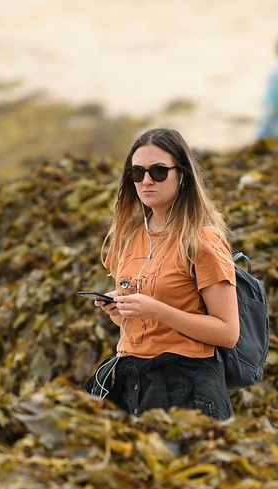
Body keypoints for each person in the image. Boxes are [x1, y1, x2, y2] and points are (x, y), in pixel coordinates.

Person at [86, 128, 240, 420]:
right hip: (132, 379)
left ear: (182, 175)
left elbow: (228, 333)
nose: (146, 181)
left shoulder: (202, 240)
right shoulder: (129, 236)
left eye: (158, 172)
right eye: (137, 172)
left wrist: (156, 309)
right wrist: (118, 308)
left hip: (187, 385)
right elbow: (138, 320)